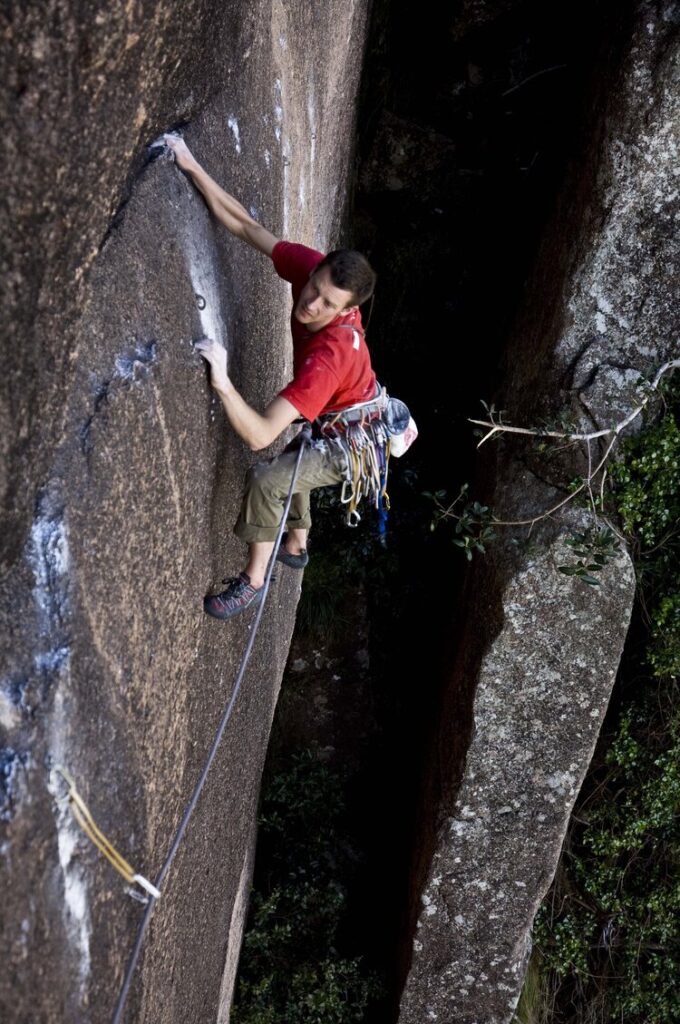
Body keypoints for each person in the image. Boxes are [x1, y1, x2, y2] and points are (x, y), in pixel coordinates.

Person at [162, 134, 378, 621]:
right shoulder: (309, 271)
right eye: (315, 288)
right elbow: (244, 225)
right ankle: (297, 544)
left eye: (327, 303)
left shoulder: (329, 358)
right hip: (345, 412)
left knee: (268, 477)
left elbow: (259, 433)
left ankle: (253, 581)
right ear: (317, 267)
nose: (311, 303)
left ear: (348, 311)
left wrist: (222, 377)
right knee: (297, 456)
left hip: (354, 440)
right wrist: (191, 164)